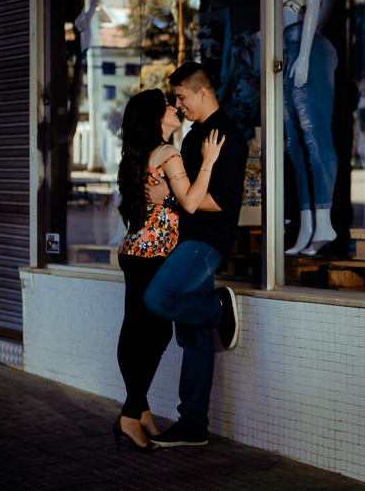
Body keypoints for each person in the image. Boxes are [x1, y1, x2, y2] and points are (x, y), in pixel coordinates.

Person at [112, 88, 225, 452]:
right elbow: (191, 203)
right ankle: (130, 415)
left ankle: (139, 409)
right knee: (154, 334)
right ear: (156, 118)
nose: (175, 109)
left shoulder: (135, 155)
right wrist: (208, 160)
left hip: (133, 251)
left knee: (134, 330)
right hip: (155, 254)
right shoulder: (168, 153)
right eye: (168, 107)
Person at [142, 62, 247, 448]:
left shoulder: (228, 138)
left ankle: (219, 307)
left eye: (183, 97)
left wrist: (170, 197)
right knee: (194, 336)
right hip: (185, 240)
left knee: (158, 299)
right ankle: (193, 425)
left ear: (202, 92)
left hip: (206, 242)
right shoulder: (193, 136)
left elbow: (222, 200)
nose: (179, 104)